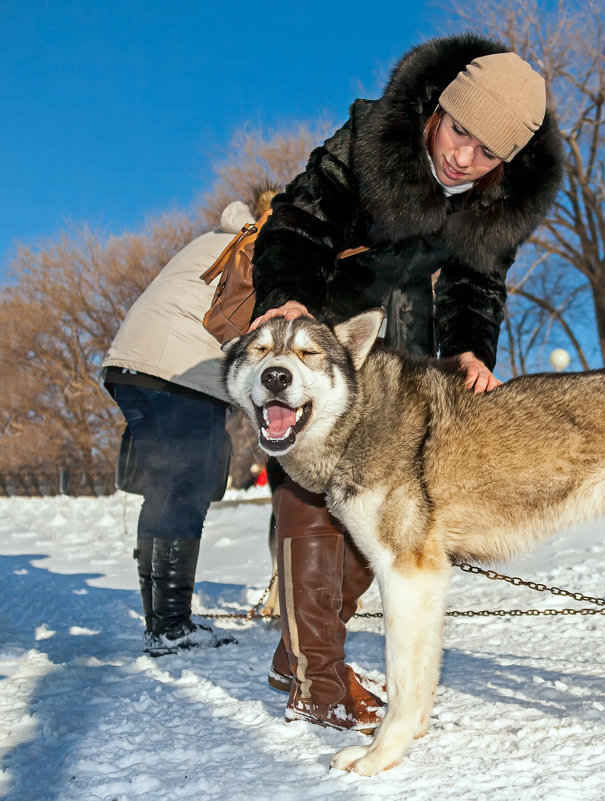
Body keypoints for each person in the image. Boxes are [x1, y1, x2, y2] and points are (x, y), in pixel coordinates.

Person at [249, 34, 564, 733]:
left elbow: (476, 282)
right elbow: (295, 222)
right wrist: (288, 296)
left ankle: (294, 656)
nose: (462, 156)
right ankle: (318, 680)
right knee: (308, 508)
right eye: (459, 130)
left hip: (403, 368)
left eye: (486, 150)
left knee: (380, 532)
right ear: (439, 107)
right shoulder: (369, 136)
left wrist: (467, 349)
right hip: (320, 336)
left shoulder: (496, 200)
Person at [102, 190, 274, 656]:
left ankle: (161, 623)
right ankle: (173, 627)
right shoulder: (265, 242)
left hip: (130, 366)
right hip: (180, 373)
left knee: (162, 489)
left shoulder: (217, 236)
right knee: (187, 488)